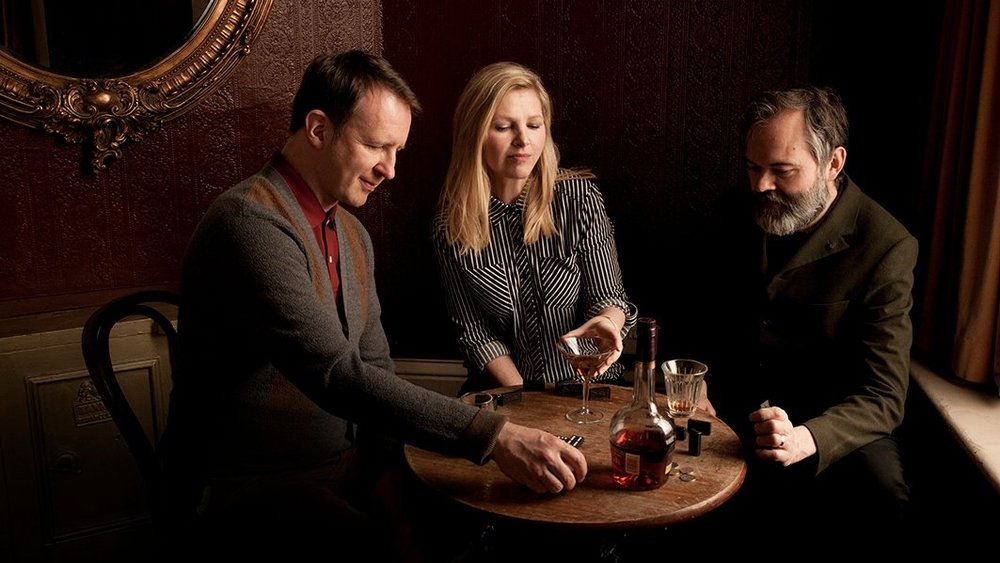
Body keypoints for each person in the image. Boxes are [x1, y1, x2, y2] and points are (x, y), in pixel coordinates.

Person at [159, 50, 587, 559]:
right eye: (376, 146)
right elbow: (336, 374)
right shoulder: (249, 222)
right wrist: (495, 437)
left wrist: (388, 476)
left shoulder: (352, 234)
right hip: (248, 489)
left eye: (397, 150)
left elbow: (376, 367)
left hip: (343, 473)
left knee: (479, 526)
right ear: (319, 129)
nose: (390, 169)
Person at [689, 86, 917, 545]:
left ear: (833, 163)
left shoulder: (887, 245)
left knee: (883, 494)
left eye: (782, 171)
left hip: (825, 419)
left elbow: (884, 395)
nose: (761, 185)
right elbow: (697, 313)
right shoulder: (733, 211)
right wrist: (696, 381)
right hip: (729, 405)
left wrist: (806, 438)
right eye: (753, 167)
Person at [432, 61, 638, 394]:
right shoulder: (449, 226)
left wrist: (607, 322)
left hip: (587, 387)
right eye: (503, 126)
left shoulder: (579, 199)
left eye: (533, 124)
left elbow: (609, 296)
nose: (523, 140)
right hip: (507, 393)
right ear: (475, 135)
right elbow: (475, 332)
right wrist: (527, 401)